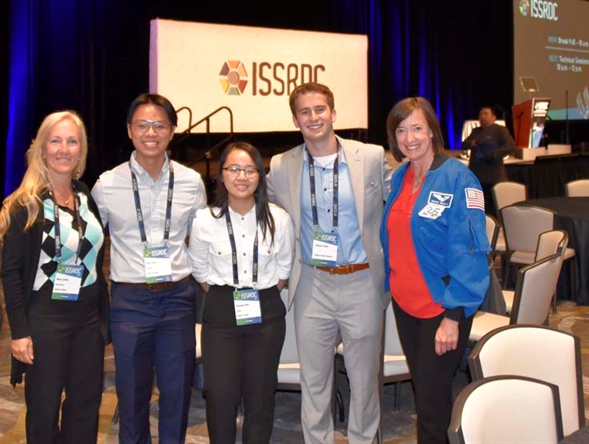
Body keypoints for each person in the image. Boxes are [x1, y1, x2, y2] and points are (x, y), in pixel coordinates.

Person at [267, 82, 392, 443]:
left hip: (362, 283)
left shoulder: (369, 156)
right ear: (295, 119)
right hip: (312, 284)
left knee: (365, 381)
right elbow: (274, 222)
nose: (313, 117)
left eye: (320, 109)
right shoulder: (280, 165)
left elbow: (397, 207)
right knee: (315, 382)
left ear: (333, 113)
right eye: (304, 112)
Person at [91, 93, 207, 444]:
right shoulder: (107, 184)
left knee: (176, 393)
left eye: (159, 125)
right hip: (129, 301)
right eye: (142, 125)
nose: (151, 132)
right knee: (131, 394)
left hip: (177, 300)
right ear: (129, 131)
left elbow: (201, 241)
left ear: (172, 131)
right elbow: (92, 244)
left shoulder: (191, 182)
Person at [0, 110, 110, 444]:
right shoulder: (26, 205)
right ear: (42, 149)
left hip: (88, 315)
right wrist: (20, 332)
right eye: (56, 141)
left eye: (72, 141)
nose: (64, 149)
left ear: (81, 150)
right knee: (44, 409)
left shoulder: (84, 195)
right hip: (46, 316)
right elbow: (10, 273)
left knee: (86, 404)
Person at [381, 97, 490, 444]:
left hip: (441, 308)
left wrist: (453, 315)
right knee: (425, 394)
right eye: (401, 130)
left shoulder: (460, 177)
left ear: (431, 130)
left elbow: (471, 251)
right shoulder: (400, 176)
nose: (409, 137)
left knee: (431, 404)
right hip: (406, 305)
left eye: (416, 127)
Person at [188, 141, 295, 444]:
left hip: (267, 312)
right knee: (220, 394)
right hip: (221, 311)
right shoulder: (204, 220)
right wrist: (227, 294)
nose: (242, 176)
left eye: (250, 170)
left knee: (260, 395)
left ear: (260, 176)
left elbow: (283, 270)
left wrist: (258, 295)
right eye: (233, 169)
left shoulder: (279, 219)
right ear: (221, 175)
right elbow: (199, 270)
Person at [462, 106, 515, 216]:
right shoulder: (476, 131)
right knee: (477, 206)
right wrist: (472, 143)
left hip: (493, 175)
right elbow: (464, 144)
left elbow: (510, 146)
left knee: (493, 206)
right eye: (480, 115)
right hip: (476, 175)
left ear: (493, 117)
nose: (482, 117)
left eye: (486, 114)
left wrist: (494, 154)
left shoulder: (500, 130)